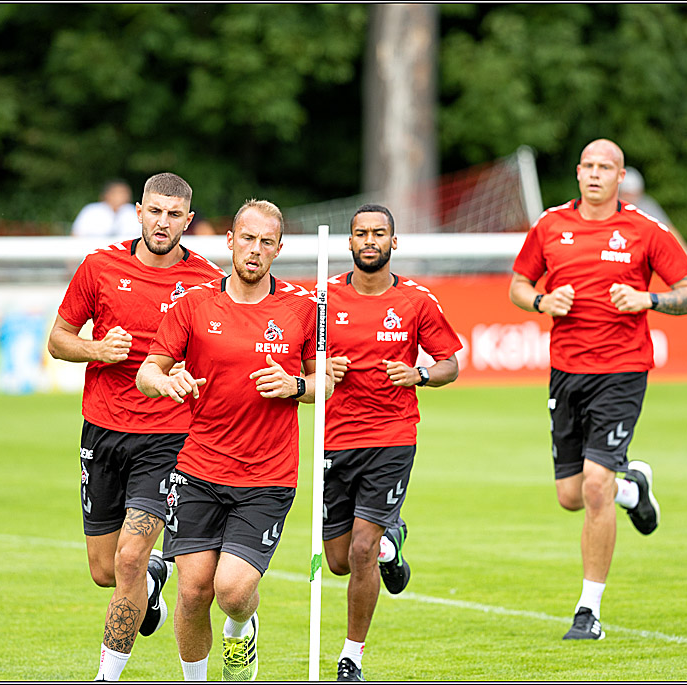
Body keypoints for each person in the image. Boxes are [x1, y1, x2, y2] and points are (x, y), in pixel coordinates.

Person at [508, 139, 687, 641]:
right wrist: (542, 302)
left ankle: (587, 611)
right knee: (571, 496)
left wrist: (648, 298)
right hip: (566, 372)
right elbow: (518, 285)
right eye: (588, 167)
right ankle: (632, 488)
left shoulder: (644, 230)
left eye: (606, 168)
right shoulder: (551, 225)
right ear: (578, 174)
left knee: (594, 484)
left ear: (621, 177)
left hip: (622, 370)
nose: (595, 175)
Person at [135, 199, 333, 682]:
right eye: (247, 239)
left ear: (279, 249)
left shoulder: (302, 309)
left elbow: (324, 381)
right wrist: (163, 382)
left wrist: (298, 386)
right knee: (192, 590)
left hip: (268, 476)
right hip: (198, 469)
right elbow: (147, 371)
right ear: (230, 240)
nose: (255, 250)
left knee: (232, 591)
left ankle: (241, 630)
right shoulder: (194, 304)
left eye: (267, 242)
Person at [48, 172, 226, 681]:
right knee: (107, 570)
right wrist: (96, 349)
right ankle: (152, 581)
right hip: (102, 431)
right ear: (139, 213)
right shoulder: (100, 267)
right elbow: (59, 340)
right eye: (155, 212)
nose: (163, 223)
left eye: (174, 215)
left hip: (170, 437)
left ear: (188, 221)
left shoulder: (207, 281)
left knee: (127, 557)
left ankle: (107, 675)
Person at [324, 204, 462, 681]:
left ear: (393, 242)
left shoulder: (416, 301)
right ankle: (392, 543)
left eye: (378, 233)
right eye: (360, 233)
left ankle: (351, 658)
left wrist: (419, 374)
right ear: (349, 241)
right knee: (341, 560)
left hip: (391, 437)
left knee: (361, 549)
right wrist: (320, 372)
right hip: (333, 440)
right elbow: (296, 357)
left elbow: (451, 362)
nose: (369, 241)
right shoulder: (322, 299)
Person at [618, 166, 687, 259]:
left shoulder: (646, 205)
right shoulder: (610, 207)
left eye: (635, 194)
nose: (632, 199)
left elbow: (666, 227)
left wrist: (683, 248)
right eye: (628, 194)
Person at [72, 179, 141, 239]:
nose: (121, 197)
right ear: (107, 194)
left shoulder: (133, 212)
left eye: (124, 193)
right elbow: (76, 234)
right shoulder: (91, 211)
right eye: (117, 193)